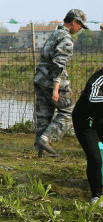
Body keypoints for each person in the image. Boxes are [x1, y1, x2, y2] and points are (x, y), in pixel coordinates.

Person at [33, 9, 88, 157]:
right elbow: (59, 64)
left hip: (40, 79)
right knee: (68, 111)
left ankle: (42, 151)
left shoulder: (54, 34)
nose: (80, 29)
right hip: (52, 81)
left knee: (44, 114)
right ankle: (46, 139)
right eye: (80, 25)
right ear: (74, 22)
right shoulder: (66, 39)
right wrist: (57, 88)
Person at [73, 23, 103, 206]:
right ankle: (96, 196)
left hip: (101, 121)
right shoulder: (99, 78)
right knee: (95, 158)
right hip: (84, 121)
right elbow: (93, 99)